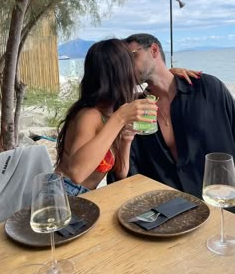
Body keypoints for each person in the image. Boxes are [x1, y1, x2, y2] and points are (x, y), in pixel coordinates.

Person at [107, 33, 235, 201]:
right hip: (169, 212)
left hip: (221, 200)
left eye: (132, 56)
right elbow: (125, 175)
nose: (126, 66)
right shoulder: (134, 110)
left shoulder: (208, 89)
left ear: (153, 50)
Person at [55, 38, 158, 195]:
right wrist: (120, 119)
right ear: (122, 74)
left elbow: (121, 172)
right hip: (63, 195)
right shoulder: (90, 115)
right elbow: (77, 173)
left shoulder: (110, 114)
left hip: (85, 197)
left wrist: (126, 140)